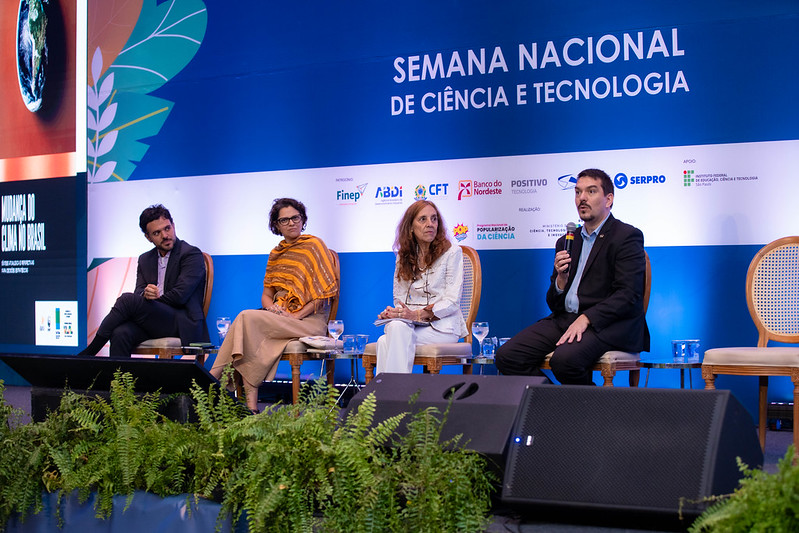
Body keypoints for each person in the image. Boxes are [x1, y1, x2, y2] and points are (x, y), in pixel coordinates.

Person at [495, 168, 649, 384]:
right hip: (565, 318)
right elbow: (553, 303)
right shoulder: (567, 240)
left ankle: (589, 415)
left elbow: (628, 294)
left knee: (565, 360)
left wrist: (587, 318)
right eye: (577, 192)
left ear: (609, 199)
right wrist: (560, 281)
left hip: (607, 324)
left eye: (591, 191)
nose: (582, 198)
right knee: (507, 356)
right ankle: (553, 406)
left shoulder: (626, 236)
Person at [210, 198, 338, 411]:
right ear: (276, 225)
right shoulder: (275, 254)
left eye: (295, 217)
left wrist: (296, 316)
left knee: (245, 318)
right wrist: (273, 309)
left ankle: (212, 379)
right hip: (279, 317)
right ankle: (251, 408)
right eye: (284, 220)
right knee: (249, 329)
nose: (291, 223)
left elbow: (325, 294)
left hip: (308, 320)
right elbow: (266, 295)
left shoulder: (314, 246)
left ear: (303, 219)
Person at [79, 204, 209, 358]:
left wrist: (155, 299)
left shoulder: (190, 254)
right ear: (148, 237)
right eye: (157, 233)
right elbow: (139, 291)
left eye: (167, 228)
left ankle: (89, 353)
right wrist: (146, 295)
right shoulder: (145, 259)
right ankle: (121, 382)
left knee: (127, 300)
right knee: (120, 333)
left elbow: (180, 296)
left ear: (173, 225)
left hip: (180, 322)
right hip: (154, 320)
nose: (165, 235)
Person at [375, 200, 468, 374]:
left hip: (443, 326)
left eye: (434, 219)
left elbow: (452, 300)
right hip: (411, 325)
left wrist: (417, 314)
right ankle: (392, 397)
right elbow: (400, 298)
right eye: (423, 219)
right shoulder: (403, 256)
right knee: (393, 329)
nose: (430, 224)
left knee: (386, 339)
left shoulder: (452, 252)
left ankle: (386, 398)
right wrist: (397, 313)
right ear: (410, 227)